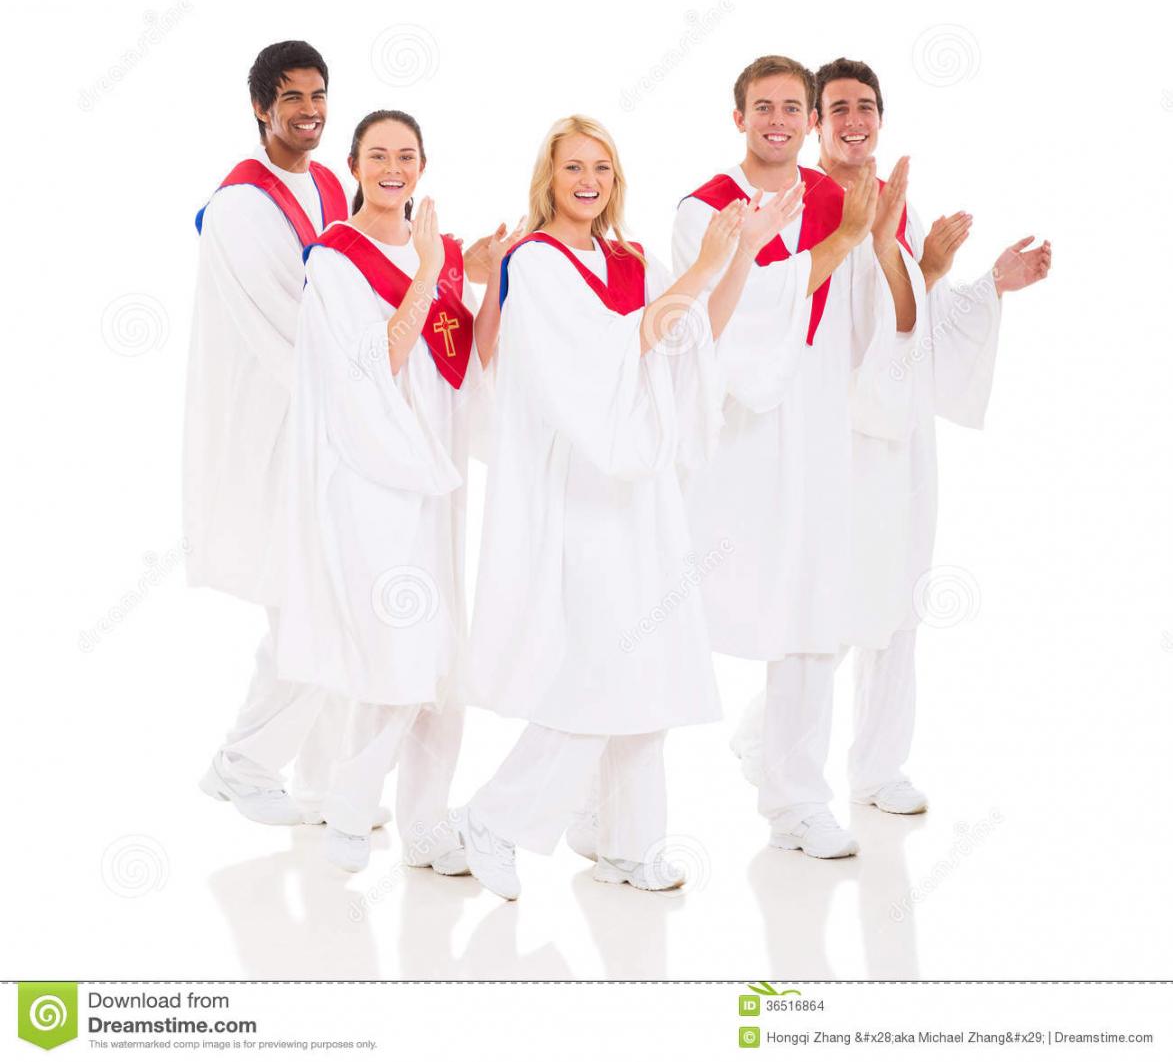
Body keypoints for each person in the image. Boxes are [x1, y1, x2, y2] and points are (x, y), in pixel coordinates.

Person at [454, 114, 799, 900]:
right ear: (547, 179)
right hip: (580, 489)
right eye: (573, 166)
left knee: (652, 664)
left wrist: (741, 254)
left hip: (641, 493)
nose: (588, 180)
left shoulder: (629, 260)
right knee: (599, 664)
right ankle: (494, 819)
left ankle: (627, 843)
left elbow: (690, 336)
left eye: (601, 167)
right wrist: (703, 265)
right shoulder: (534, 262)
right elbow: (598, 360)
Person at [730, 57, 1051, 827]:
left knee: (896, 593)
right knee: (821, 599)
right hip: (825, 428)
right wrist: (867, 242)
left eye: (865, 107)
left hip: (896, 434)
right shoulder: (799, 203)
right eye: (837, 106)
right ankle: (772, 751)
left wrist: (981, 282)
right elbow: (779, 312)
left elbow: (913, 319)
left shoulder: (899, 206)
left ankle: (877, 765)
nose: (853, 120)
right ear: (814, 122)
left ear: (880, 119)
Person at [671, 54, 916, 859]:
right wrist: (845, 239)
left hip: (818, 434)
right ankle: (598, 798)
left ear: (808, 121)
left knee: (813, 609)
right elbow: (727, 318)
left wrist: (887, 244)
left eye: (790, 107)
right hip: (739, 436)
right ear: (736, 116)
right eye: (762, 106)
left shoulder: (838, 200)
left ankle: (795, 800)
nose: (776, 119)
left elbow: (876, 316)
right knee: (668, 611)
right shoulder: (705, 208)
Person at [278, 110, 523, 873]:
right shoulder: (337, 258)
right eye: (378, 155)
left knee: (443, 659)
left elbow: (467, 356)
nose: (393, 168)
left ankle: (424, 824)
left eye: (406, 156)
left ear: (422, 165)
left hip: (436, 472)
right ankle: (351, 807)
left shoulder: (434, 247)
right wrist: (428, 269)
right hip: (374, 477)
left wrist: (489, 273)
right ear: (353, 165)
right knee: (402, 647)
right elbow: (375, 366)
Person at [185, 40, 356, 826]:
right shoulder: (241, 206)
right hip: (274, 423)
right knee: (310, 601)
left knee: (326, 598)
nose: (310, 111)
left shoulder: (328, 182)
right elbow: (291, 321)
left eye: (318, 95)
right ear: (260, 107)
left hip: (328, 420)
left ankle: (324, 779)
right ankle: (243, 762)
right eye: (292, 97)